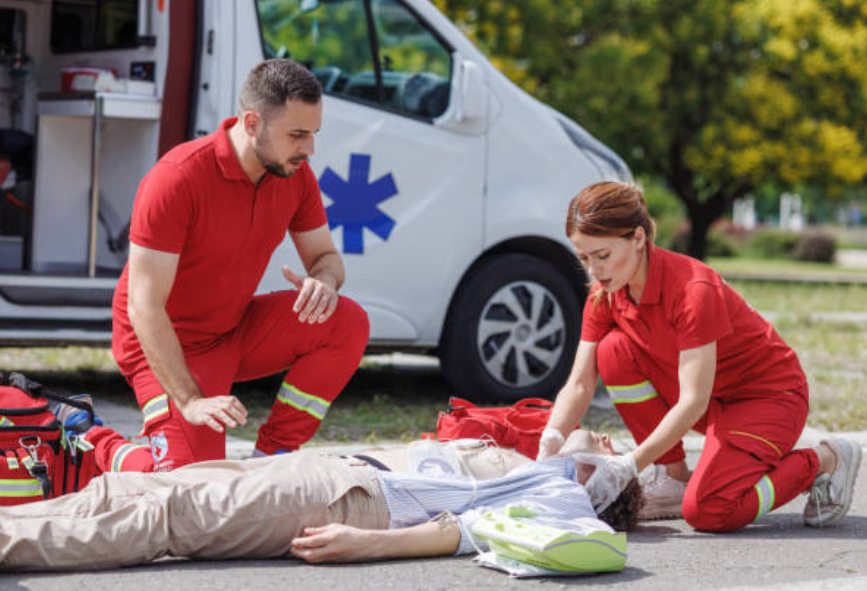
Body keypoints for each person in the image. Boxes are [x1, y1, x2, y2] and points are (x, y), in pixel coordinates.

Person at [537, 181, 862, 531]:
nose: (594, 270)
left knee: (709, 511)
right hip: (711, 401)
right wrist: (550, 441)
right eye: (584, 258)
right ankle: (675, 476)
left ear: (638, 238)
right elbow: (580, 384)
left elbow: (693, 399)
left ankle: (824, 461)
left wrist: (631, 464)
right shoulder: (606, 294)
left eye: (602, 256)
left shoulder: (693, 291)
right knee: (613, 350)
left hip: (766, 400)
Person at [111, 59, 369, 471]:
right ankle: (100, 448)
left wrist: (323, 281)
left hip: (232, 328)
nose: (309, 149)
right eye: (297, 135)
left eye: (313, 134)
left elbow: (326, 258)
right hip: (163, 342)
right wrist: (191, 402)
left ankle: (274, 457)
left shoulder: (294, 174)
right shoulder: (176, 179)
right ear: (252, 123)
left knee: (347, 321)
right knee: (194, 493)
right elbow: (145, 307)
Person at [0, 426, 641, 571]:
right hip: (329, 470)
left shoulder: (568, 501)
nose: (604, 433)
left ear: (606, 477)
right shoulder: (538, 465)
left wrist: (370, 546)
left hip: (351, 497)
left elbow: (471, 531)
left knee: (166, 519)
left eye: (610, 445)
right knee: (135, 488)